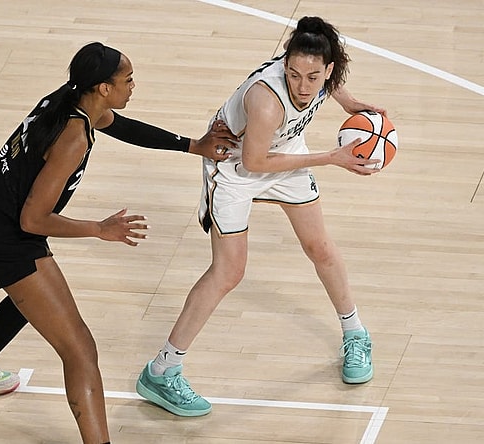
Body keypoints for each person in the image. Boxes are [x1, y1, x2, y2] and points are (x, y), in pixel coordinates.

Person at [0, 42, 238, 444]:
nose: (133, 85)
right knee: (80, 349)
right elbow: (33, 219)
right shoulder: (72, 138)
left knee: (33, 299)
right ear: (102, 88)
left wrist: (192, 145)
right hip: (4, 234)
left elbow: (124, 127)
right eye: (127, 80)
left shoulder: (68, 99)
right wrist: (100, 228)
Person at [135, 16, 386, 417]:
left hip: (282, 150)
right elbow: (254, 161)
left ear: (329, 70)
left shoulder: (322, 76)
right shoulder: (266, 101)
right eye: (294, 74)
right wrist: (332, 158)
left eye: (314, 77)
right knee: (228, 273)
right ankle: (162, 370)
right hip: (235, 165)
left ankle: (355, 334)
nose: (303, 86)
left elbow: (326, 83)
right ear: (284, 65)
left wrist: (349, 102)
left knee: (320, 246)